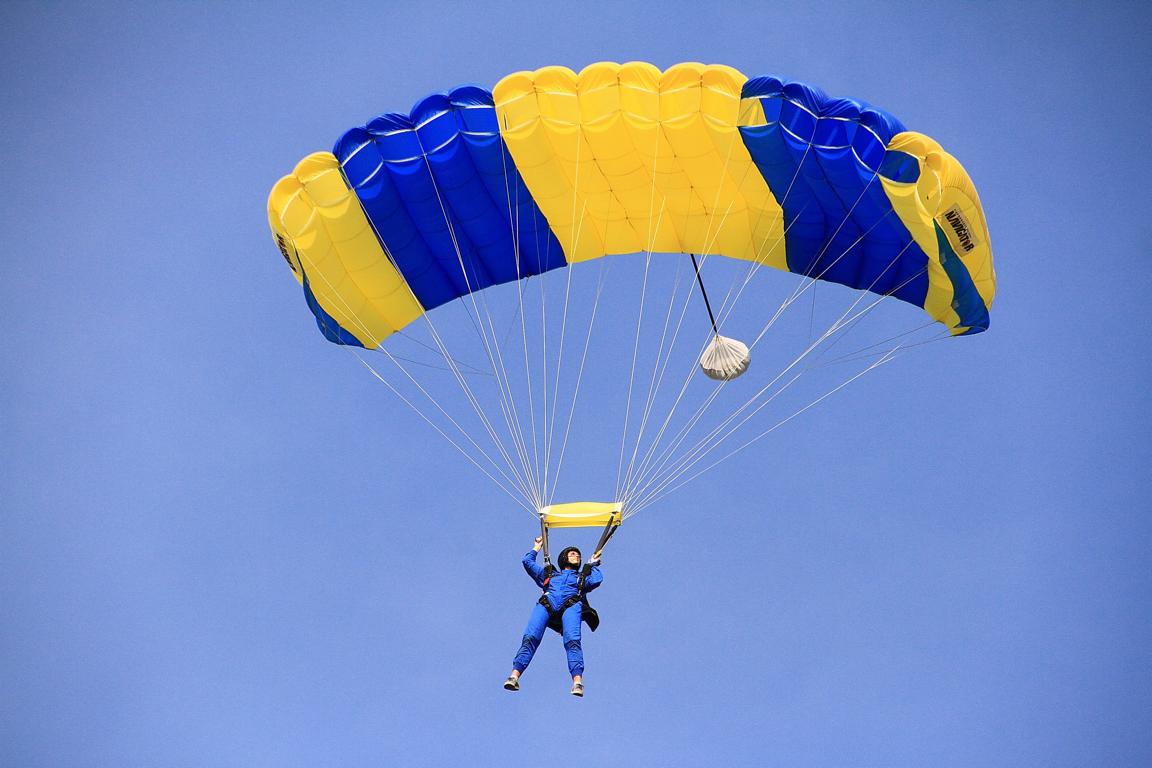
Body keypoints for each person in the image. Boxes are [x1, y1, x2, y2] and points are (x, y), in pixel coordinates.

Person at [503, 536, 603, 696]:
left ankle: (577, 682)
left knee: (572, 641)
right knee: (530, 637)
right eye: (572, 554)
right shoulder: (550, 574)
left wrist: (592, 565)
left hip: (571, 604)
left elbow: (597, 580)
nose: (577, 556)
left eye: (578, 555)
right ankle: (514, 676)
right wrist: (537, 547)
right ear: (564, 558)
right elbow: (527, 562)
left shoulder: (581, 578)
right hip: (547, 603)